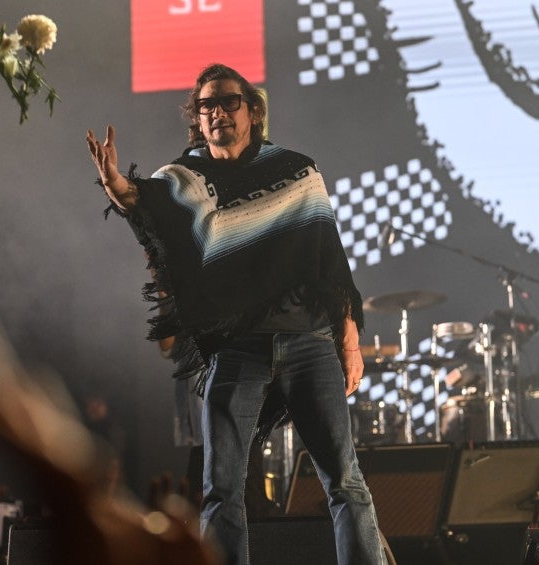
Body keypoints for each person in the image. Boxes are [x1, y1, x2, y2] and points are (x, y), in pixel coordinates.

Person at [86, 63, 385, 564]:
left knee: (345, 481)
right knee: (221, 489)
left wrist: (349, 343)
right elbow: (142, 205)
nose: (218, 112)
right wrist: (114, 183)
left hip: (309, 342)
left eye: (229, 101)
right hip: (236, 351)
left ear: (253, 112)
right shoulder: (182, 180)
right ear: (197, 119)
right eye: (207, 105)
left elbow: (332, 265)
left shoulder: (297, 172)